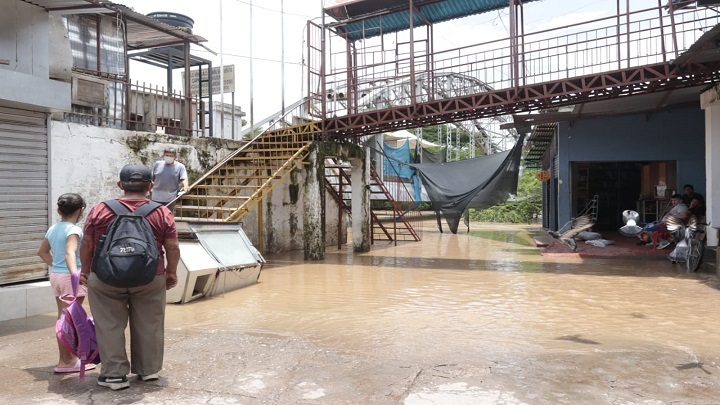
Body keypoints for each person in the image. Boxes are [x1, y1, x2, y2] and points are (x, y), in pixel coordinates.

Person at [79, 164, 180, 390]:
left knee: (108, 325)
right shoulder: (162, 212)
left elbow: (87, 243)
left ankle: (114, 375)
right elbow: (172, 247)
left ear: (120, 185)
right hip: (150, 277)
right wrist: (171, 272)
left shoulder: (99, 209)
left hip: (105, 277)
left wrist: (85, 271)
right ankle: (148, 370)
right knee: (150, 323)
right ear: (150, 186)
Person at [37, 193, 97, 374]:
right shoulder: (74, 230)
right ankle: (67, 362)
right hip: (70, 278)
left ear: (58, 210)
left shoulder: (53, 228)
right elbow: (70, 253)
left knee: (64, 318)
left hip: (56, 276)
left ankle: (69, 359)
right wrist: (74, 274)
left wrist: (57, 267)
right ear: (81, 210)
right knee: (71, 321)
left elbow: (42, 252)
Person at [151, 147, 189, 212]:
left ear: (175, 157)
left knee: (168, 216)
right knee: (155, 216)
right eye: (167, 155)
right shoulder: (157, 164)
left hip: (170, 198)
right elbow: (151, 178)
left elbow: (184, 178)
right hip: (156, 197)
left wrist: (186, 186)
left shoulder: (180, 166)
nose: (168, 157)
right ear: (163, 156)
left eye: (171, 156)